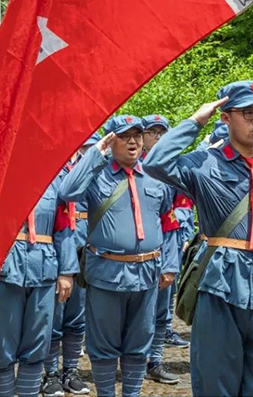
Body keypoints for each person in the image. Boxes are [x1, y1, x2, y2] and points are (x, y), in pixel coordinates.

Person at [143, 80, 253, 397]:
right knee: (217, 381)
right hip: (221, 286)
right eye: (247, 113)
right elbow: (155, 162)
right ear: (226, 117)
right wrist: (195, 121)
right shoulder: (204, 165)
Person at [58, 115, 180, 397]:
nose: (134, 140)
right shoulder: (96, 175)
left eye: (138, 134)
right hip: (107, 272)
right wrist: (96, 154)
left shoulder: (153, 174)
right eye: (125, 136)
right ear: (111, 140)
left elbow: (168, 220)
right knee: (104, 346)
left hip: (148, 272)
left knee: (139, 343)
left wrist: (170, 263)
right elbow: (67, 191)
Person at [0, 179, 78, 397]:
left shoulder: (55, 182)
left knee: (36, 346)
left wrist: (67, 272)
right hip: (7, 270)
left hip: (44, 271)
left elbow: (64, 228)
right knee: (2, 346)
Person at [42, 133, 101, 397]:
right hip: (54, 247)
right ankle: (51, 374)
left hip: (84, 248)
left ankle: (71, 370)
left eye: (90, 146)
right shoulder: (50, 167)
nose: (86, 149)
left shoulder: (91, 169)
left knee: (77, 318)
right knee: (53, 317)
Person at [139, 114, 188, 383]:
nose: (157, 137)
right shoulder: (129, 167)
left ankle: (155, 361)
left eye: (162, 133)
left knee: (161, 312)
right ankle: (132, 361)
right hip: (131, 254)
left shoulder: (171, 171)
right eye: (153, 132)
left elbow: (172, 218)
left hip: (162, 249)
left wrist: (170, 262)